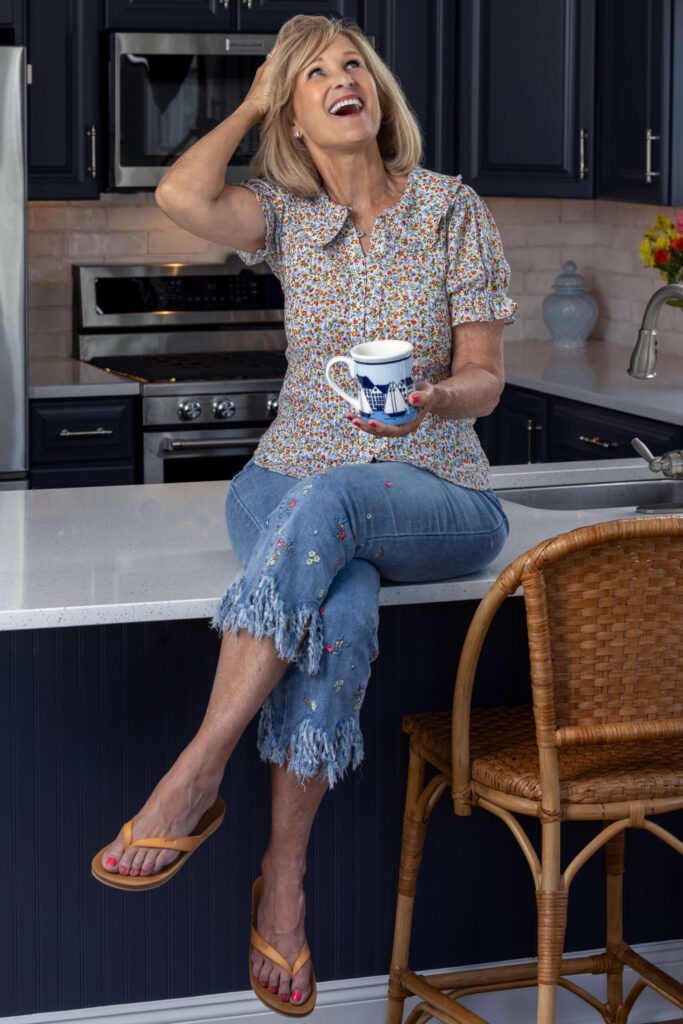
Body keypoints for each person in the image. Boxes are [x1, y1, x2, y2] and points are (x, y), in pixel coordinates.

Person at [91, 13, 516, 1017]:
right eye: (316, 73)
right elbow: (178, 194)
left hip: (434, 485)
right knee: (342, 607)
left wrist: (434, 399)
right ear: (294, 108)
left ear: (377, 95)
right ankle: (282, 883)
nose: (343, 80)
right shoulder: (284, 215)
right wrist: (248, 96)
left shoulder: (450, 209)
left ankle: (195, 773)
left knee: (335, 506)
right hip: (282, 475)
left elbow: (488, 377)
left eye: (353, 65)